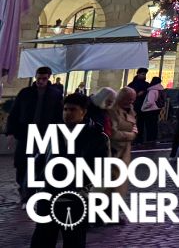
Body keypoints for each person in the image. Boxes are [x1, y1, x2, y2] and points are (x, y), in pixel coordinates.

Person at [28, 92, 109, 248]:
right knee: (42, 240)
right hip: (48, 196)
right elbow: (39, 161)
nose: (67, 113)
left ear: (83, 112)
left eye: (72, 110)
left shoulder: (96, 136)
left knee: (74, 241)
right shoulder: (53, 132)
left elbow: (98, 168)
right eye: (65, 109)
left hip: (75, 199)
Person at [5, 66, 63, 202]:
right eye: (38, 78)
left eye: (43, 78)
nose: (40, 81)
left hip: (45, 134)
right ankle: (23, 188)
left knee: (39, 162)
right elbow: (15, 113)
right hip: (25, 133)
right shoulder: (25, 93)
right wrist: (11, 132)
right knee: (22, 162)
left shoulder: (55, 94)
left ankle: (31, 191)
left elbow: (58, 115)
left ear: (48, 77)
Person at [108, 87, 138, 197]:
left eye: (133, 99)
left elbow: (134, 125)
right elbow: (113, 132)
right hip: (113, 149)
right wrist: (131, 135)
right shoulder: (112, 111)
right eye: (129, 99)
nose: (131, 101)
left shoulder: (131, 110)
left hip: (124, 150)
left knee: (120, 178)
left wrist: (133, 132)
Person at [138, 76, 165, 145]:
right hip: (157, 109)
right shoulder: (160, 89)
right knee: (154, 125)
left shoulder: (152, 90)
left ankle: (149, 139)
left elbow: (150, 102)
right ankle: (153, 139)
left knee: (149, 126)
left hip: (150, 110)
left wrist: (143, 108)